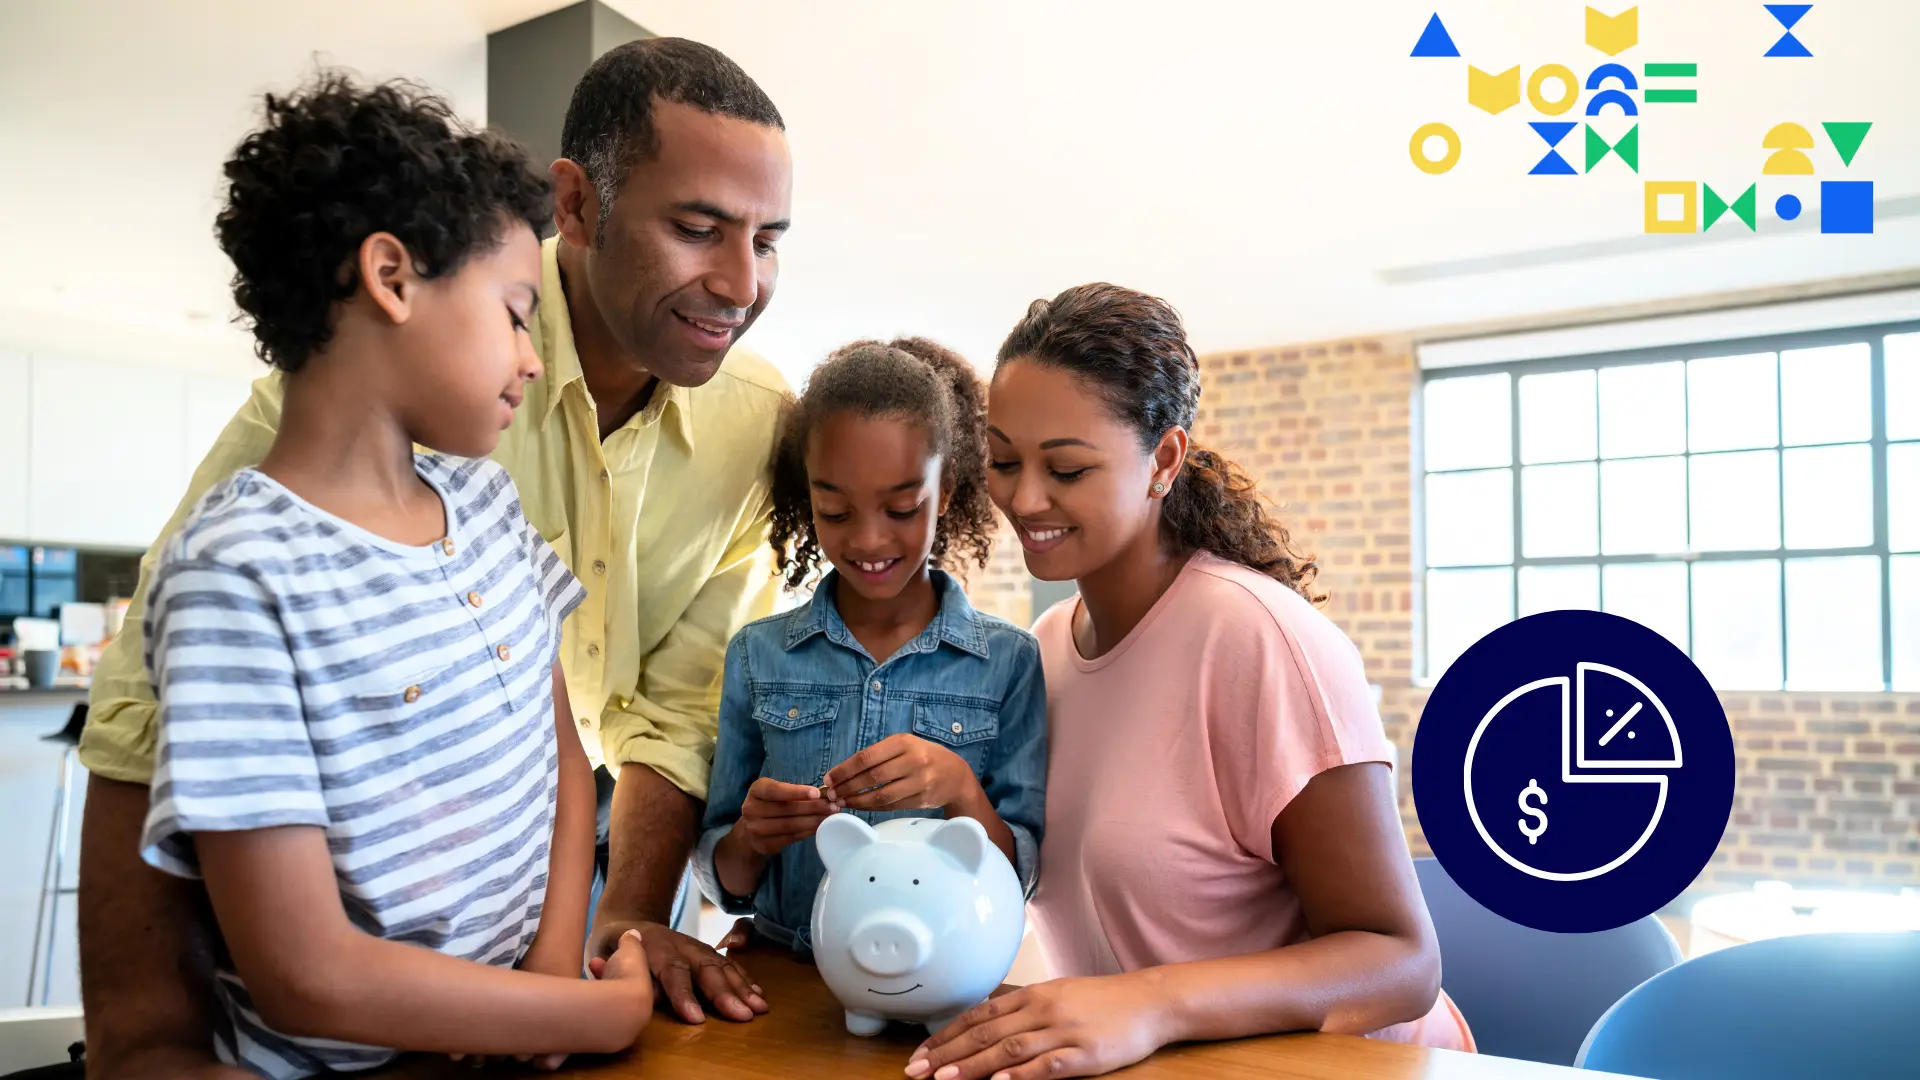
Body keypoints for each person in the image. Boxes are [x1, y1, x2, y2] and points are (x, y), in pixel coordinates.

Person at [78, 38, 792, 1080]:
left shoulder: (529, 481)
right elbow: (150, 703)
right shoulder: (286, 490)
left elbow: (657, 717)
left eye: (771, 240)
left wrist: (594, 943)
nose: (743, 281)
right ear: (579, 208)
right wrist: (144, 1035)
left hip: (515, 963)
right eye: (698, 228)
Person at [908, 285, 1472, 1080]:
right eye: (1003, 461)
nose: (1024, 499)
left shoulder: (1259, 640)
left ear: (1163, 461)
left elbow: (1400, 963)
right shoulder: (1042, 653)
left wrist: (1148, 1002)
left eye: (1066, 467)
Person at [691, 338, 1047, 957]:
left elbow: (1020, 879)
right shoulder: (758, 655)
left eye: (903, 507)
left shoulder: (1009, 664)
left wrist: (960, 787)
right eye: (835, 509)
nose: (869, 538)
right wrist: (751, 838)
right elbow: (726, 884)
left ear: (949, 490)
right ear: (809, 497)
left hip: (936, 986)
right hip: (784, 982)